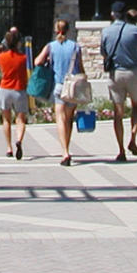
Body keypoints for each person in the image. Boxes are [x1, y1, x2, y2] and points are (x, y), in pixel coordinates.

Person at [101, 0, 137, 161]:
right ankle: (133, 138)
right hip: (133, 71)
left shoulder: (106, 32)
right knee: (136, 106)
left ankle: (121, 150)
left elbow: (104, 53)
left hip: (115, 73)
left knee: (118, 112)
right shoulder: (136, 31)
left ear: (113, 14)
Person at [34, 19, 83, 166]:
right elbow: (80, 67)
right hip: (72, 86)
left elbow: (37, 62)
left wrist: (48, 61)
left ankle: (65, 152)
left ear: (56, 30)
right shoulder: (75, 47)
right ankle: (67, 146)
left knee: (60, 118)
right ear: (68, 30)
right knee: (69, 119)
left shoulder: (51, 46)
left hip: (59, 86)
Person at [0, 32, 29, 159]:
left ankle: (9, 148)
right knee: (20, 119)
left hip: (5, 89)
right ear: (18, 43)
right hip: (19, 89)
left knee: (6, 119)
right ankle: (19, 140)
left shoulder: (1, 57)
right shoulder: (23, 58)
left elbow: (1, 69)